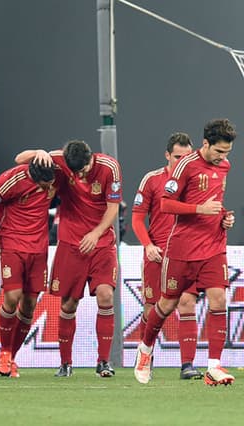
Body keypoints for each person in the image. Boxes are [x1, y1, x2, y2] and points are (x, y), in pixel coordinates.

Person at [134, 118, 237, 386]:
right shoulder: (185, 166)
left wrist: (224, 218)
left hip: (214, 246)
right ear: (206, 144)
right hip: (182, 248)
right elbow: (167, 205)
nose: (223, 157)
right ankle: (145, 349)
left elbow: (215, 204)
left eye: (227, 152)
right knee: (166, 304)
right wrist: (199, 210)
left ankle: (213, 366)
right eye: (219, 151)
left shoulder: (224, 166)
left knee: (218, 301)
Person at [15, 139, 122, 378]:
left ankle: (103, 362)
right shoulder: (58, 158)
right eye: (75, 173)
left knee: (106, 296)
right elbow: (20, 159)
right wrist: (39, 150)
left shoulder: (109, 167)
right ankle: (65, 363)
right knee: (68, 304)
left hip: (101, 242)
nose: (79, 176)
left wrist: (96, 233)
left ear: (90, 158)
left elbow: (113, 207)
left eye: (83, 170)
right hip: (70, 243)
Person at [132, 132, 205, 380]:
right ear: (167, 155)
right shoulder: (152, 180)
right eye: (177, 157)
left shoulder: (198, 180)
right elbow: (137, 218)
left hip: (189, 252)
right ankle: (145, 356)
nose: (181, 161)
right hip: (159, 254)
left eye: (186, 156)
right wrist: (148, 246)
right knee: (153, 307)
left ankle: (187, 365)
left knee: (187, 303)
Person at [0, 161, 57, 378]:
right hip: (12, 243)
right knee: (12, 297)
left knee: (30, 304)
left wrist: (39, 152)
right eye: (43, 185)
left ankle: (11, 357)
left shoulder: (53, 173)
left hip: (39, 248)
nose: (47, 190)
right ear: (34, 177)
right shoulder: (10, 180)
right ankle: (4, 352)